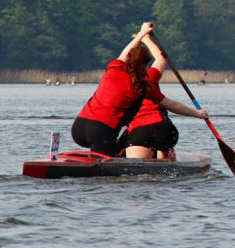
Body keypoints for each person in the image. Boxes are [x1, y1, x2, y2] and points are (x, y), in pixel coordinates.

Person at [71, 22, 208, 156]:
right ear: (145, 65)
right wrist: (198, 114)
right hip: (102, 131)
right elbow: (172, 105)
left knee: (104, 158)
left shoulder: (114, 68)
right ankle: (165, 156)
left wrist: (142, 34)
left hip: (79, 126)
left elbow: (126, 51)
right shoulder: (144, 85)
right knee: (103, 169)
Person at [121, 34, 211, 159]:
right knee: (163, 158)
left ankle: (160, 155)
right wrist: (146, 38)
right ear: (146, 64)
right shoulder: (150, 76)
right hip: (163, 130)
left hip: (138, 132)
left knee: (138, 169)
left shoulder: (119, 82)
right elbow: (161, 58)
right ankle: (166, 155)